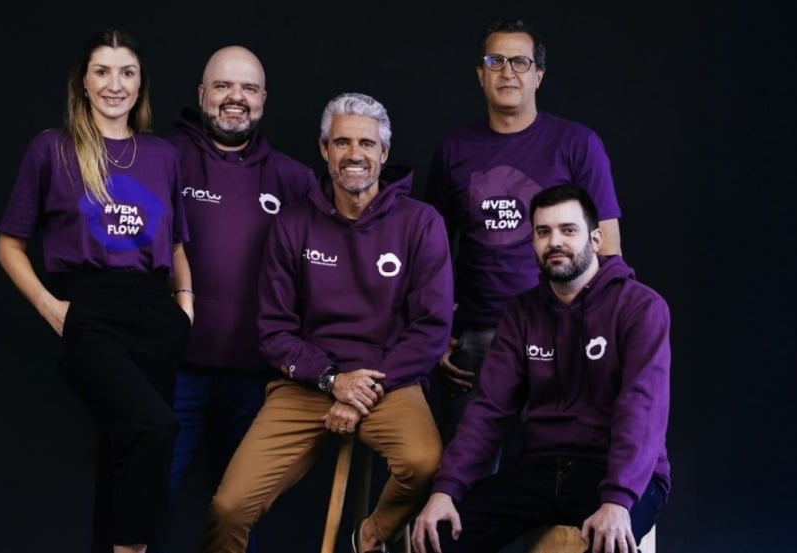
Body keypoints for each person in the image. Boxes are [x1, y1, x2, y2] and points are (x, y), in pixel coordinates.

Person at [201, 92, 454, 553]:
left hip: (390, 380)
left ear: (384, 153)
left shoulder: (421, 222)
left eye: (366, 143)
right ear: (324, 149)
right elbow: (274, 330)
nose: (354, 154)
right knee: (229, 507)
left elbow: (431, 328)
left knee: (423, 463)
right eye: (342, 142)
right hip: (308, 384)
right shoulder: (293, 224)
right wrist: (333, 381)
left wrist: (362, 392)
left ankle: (371, 536)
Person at [0, 27, 194, 553]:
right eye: (102, 72)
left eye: (127, 72)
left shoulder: (162, 155)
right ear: (83, 82)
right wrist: (53, 309)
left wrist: (185, 307)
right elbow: (9, 245)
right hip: (90, 309)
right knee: (154, 427)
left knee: (128, 452)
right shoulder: (52, 148)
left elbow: (176, 245)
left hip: (155, 314)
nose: (115, 84)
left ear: (140, 83)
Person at [411, 184, 670, 553]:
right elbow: (490, 410)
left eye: (568, 230)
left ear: (596, 239)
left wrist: (617, 499)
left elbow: (641, 410)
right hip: (544, 468)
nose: (555, 242)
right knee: (438, 537)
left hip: (619, 473)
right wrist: (446, 489)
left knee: (608, 543)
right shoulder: (521, 314)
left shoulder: (640, 308)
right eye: (543, 232)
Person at [425, 16, 624, 455]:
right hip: (477, 334)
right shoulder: (454, 150)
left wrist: (595, 329)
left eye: (520, 62)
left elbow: (608, 247)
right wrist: (437, 327)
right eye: (495, 61)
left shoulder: (577, 144)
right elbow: (430, 251)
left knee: (559, 462)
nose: (507, 72)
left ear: (539, 75)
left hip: (560, 329)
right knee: (467, 465)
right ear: (480, 74)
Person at [157, 45, 316, 552]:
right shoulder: (164, 160)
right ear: (202, 93)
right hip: (173, 371)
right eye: (223, 86)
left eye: (248, 88)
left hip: (257, 377)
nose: (236, 97)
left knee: (238, 514)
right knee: (148, 499)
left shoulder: (294, 180)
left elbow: (326, 267)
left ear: (264, 99)